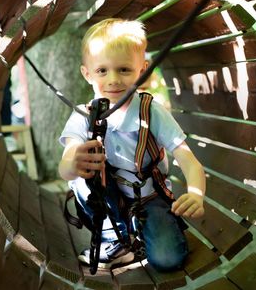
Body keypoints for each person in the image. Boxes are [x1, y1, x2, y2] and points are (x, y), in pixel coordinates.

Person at [58, 18, 206, 271]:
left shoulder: (151, 112)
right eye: (102, 70)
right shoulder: (84, 115)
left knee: (168, 260)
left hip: (149, 198)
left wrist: (196, 194)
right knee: (81, 179)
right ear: (87, 73)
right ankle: (114, 240)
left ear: (143, 70)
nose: (113, 79)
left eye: (124, 69)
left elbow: (188, 159)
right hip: (107, 198)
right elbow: (65, 169)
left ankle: (148, 233)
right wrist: (72, 163)